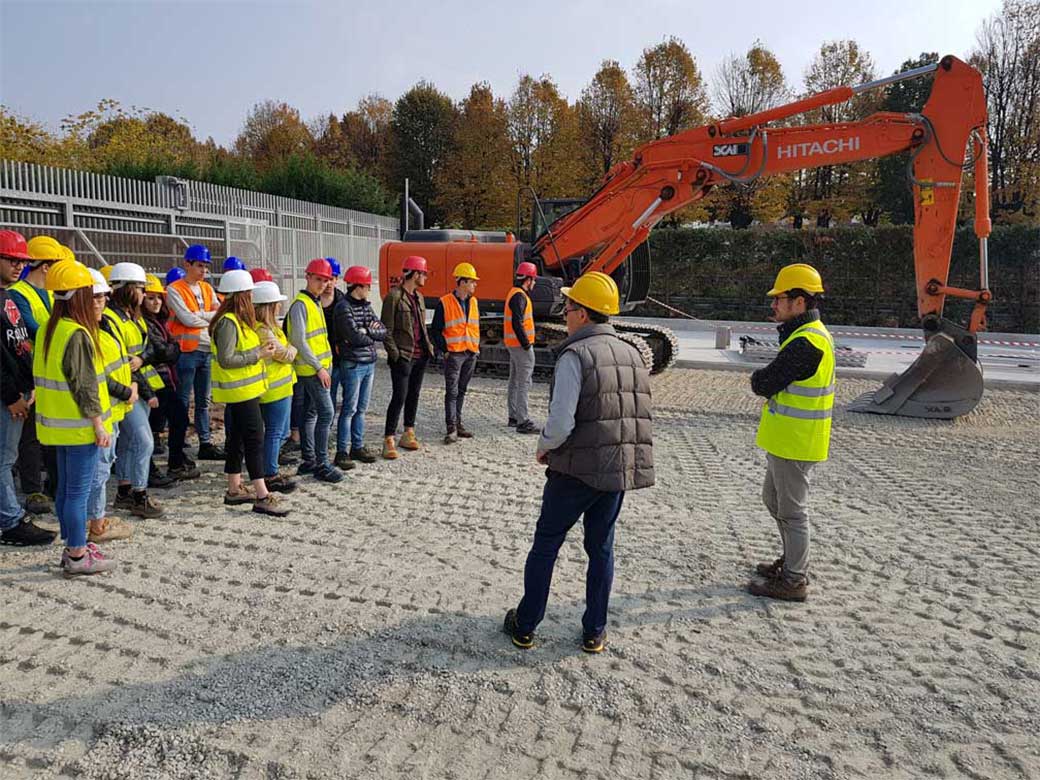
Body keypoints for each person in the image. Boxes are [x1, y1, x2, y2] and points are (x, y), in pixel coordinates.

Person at [504, 272, 654, 654]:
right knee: (601, 548)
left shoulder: (576, 355)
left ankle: (525, 625)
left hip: (575, 472)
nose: (565, 314)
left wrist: (544, 447)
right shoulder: (633, 353)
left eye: (569, 308)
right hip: (616, 471)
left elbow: (560, 423)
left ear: (584, 314)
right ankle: (594, 631)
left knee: (546, 545)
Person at [747, 263, 835, 603]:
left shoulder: (807, 342)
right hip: (788, 439)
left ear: (799, 302)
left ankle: (795, 578)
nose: (773, 305)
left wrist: (759, 379)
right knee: (774, 501)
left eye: (779, 299)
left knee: (793, 511)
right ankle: (792, 560)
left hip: (797, 441)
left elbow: (765, 382)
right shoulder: (805, 335)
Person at [33, 258, 117, 576]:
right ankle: (79, 555)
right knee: (77, 492)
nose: (99, 299)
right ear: (79, 296)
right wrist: (98, 424)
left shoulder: (47, 330)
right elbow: (83, 386)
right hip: (80, 428)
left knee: (66, 490)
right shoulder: (77, 333)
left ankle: (73, 545)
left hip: (56, 427)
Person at [209, 269, 289, 516]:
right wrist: (259, 354)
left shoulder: (236, 322)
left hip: (244, 392)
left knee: (237, 440)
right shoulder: (228, 323)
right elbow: (226, 359)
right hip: (240, 392)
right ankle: (262, 495)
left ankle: (234, 489)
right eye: (248, 294)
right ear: (241, 295)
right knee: (255, 441)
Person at [0, 230, 55, 546]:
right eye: (11, 259)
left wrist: (29, 386)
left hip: (19, 392)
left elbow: (20, 346)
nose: (18, 265)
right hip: (7, 398)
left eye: (21, 260)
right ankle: (10, 523)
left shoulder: (8, 296)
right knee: (4, 461)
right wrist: (11, 396)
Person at [103, 263, 164, 519]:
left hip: (133, 387)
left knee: (129, 442)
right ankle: (139, 495)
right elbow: (126, 360)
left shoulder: (130, 317)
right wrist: (146, 390)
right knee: (143, 441)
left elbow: (146, 351)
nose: (143, 293)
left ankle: (125, 491)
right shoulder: (111, 319)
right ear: (128, 288)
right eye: (140, 288)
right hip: (124, 389)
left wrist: (142, 369)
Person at [9, 234, 61, 516]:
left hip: (51, 373)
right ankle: (33, 490)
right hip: (29, 374)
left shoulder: (52, 293)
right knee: (30, 436)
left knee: (52, 433)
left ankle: (55, 483)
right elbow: (32, 329)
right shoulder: (18, 294)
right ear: (46, 266)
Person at [85, 268, 135, 543]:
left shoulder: (104, 325)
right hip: (102, 412)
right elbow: (99, 376)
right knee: (99, 471)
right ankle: (96, 525)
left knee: (102, 469)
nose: (99, 302)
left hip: (112, 408)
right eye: (94, 297)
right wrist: (127, 391)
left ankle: (97, 519)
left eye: (103, 297)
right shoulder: (87, 332)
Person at [284, 259, 342, 483]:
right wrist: (319, 367)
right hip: (311, 369)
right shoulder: (301, 304)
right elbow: (298, 339)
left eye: (326, 280)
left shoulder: (313, 302)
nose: (323, 284)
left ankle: (309, 460)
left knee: (310, 413)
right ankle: (322, 463)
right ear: (307, 277)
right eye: (318, 279)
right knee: (326, 413)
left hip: (316, 368)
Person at [166, 244, 224, 461]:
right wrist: (205, 316)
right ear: (187, 264)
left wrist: (199, 315)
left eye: (206, 267)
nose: (203, 271)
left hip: (206, 350)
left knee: (203, 401)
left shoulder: (207, 289)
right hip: (187, 352)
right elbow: (186, 319)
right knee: (182, 401)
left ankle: (205, 443)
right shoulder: (174, 289)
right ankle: (178, 445)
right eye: (199, 266)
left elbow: (216, 313)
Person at [142, 274, 197, 483]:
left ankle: (175, 461)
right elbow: (165, 352)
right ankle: (154, 468)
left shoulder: (159, 321)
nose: (156, 302)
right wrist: (172, 349)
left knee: (178, 419)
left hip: (164, 379)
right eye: (151, 298)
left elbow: (172, 350)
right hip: (153, 381)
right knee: (151, 428)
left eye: (158, 298)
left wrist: (172, 349)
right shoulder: (145, 323)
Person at [331, 265, 387, 467]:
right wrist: (368, 333)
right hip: (353, 364)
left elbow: (382, 330)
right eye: (367, 286)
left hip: (368, 363)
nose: (369, 290)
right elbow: (353, 337)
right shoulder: (343, 307)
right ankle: (342, 451)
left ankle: (357, 446)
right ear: (358, 286)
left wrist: (367, 332)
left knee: (361, 408)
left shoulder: (365, 306)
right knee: (349, 409)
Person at [380, 254, 434, 460]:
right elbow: (386, 330)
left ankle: (408, 432)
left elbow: (421, 326)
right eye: (424, 274)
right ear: (415, 273)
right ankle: (388, 439)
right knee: (399, 396)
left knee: (414, 394)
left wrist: (428, 348)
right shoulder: (393, 297)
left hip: (420, 355)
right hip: (403, 356)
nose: (426, 278)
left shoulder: (419, 297)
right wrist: (395, 356)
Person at [252, 280, 298, 494]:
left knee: (275, 431)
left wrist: (288, 349)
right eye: (277, 303)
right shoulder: (264, 331)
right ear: (270, 306)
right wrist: (292, 349)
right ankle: (270, 473)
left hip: (279, 387)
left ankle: (269, 469)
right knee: (274, 432)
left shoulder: (270, 328)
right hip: (274, 389)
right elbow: (286, 354)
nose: (280, 306)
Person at [431, 262, 480, 444]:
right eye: (472, 281)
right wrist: (445, 350)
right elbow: (436, 330)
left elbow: (474, 327)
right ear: (462, 282)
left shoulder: (474, 302)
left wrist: (476, 349)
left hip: (470, 352)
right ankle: (451, 427)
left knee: (462, 390)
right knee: (452, 391)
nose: (475, 284)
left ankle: (458, 424)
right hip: (454, 353)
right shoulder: (444, 302)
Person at [505, 262, 539, 434]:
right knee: (524, 383)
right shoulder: (520, 296)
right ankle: (522, 420)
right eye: (533, 279)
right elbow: (517, 323)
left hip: (513, 345)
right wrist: (526, 344)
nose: (534, 283)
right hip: (521, 346)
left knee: (515, 381)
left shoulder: (514, 293)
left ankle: (513, 416)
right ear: (528, 279)